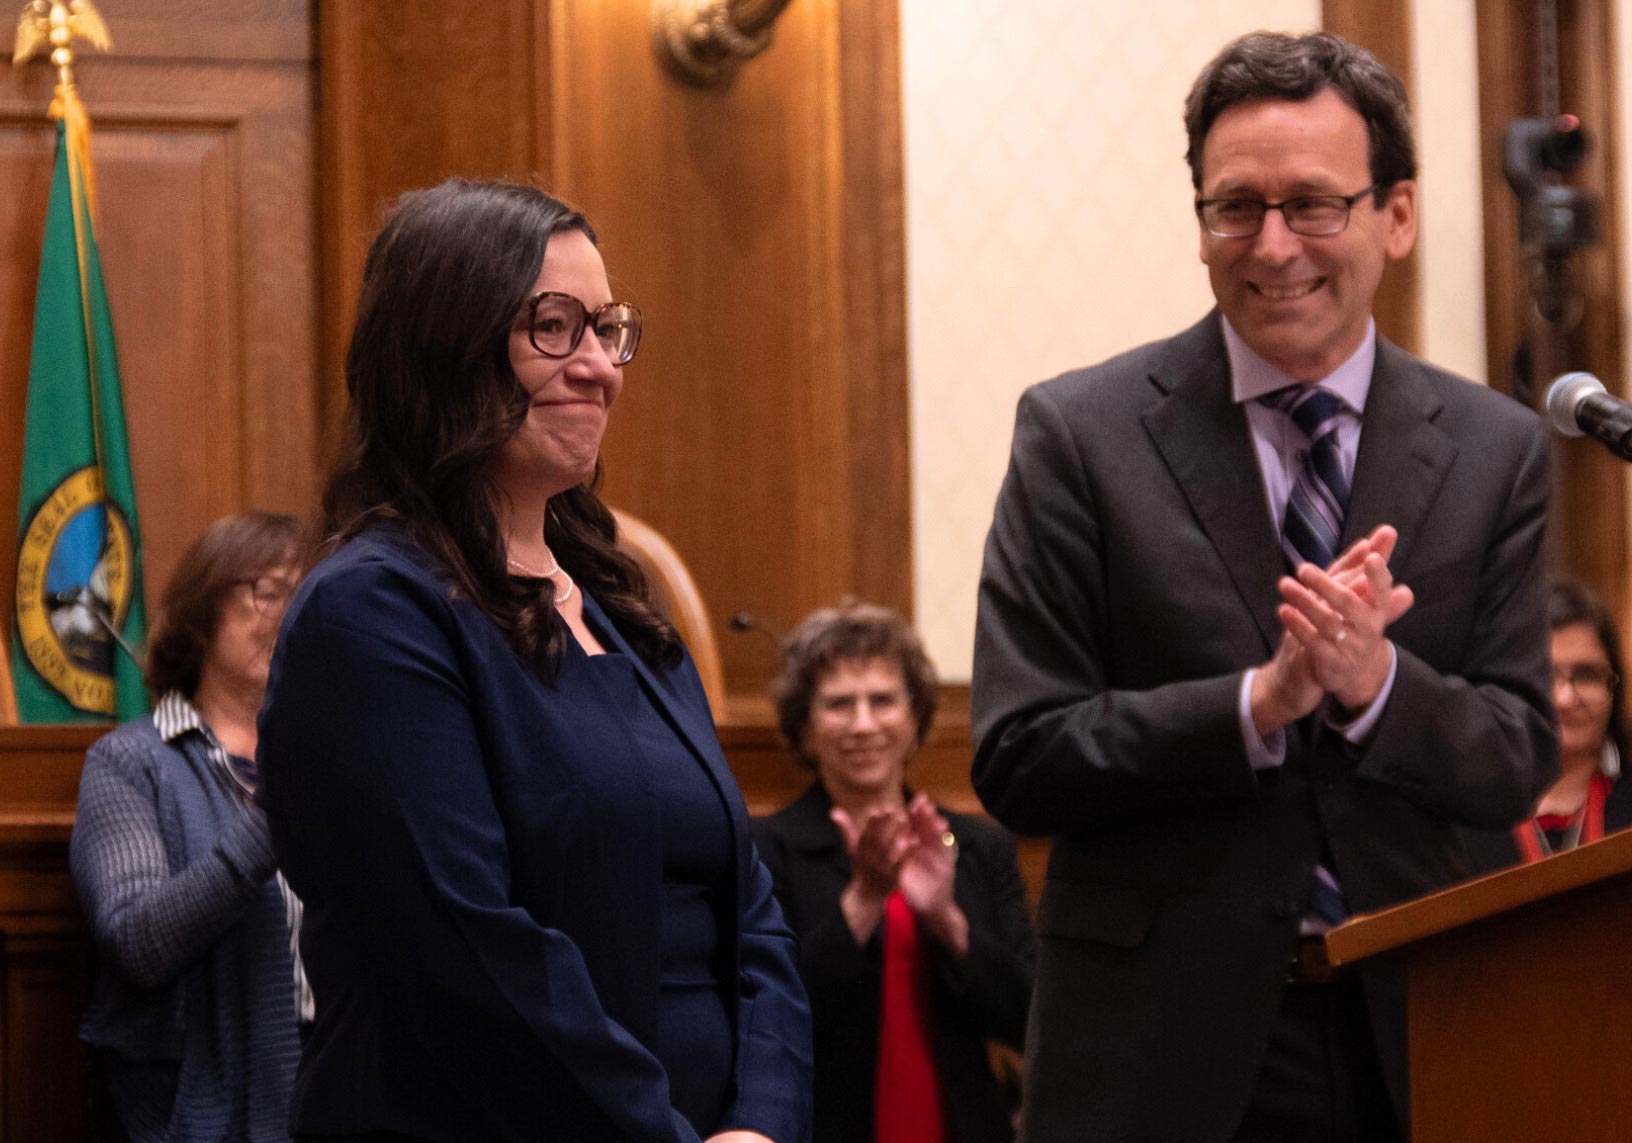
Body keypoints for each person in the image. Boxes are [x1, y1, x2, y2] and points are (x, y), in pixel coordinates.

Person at [971, 31, 1558, 1143]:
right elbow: (1017, 753)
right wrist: (1257, 704)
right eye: (1234, 207)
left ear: (1395, 215)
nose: (1272, 245)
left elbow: (1517, 749)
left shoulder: (1495, 449)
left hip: (1425, 1026)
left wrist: (1377, 683)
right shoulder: (1079, 436)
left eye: (1314, 205)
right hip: (1157, 1053)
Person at [256, 178, 810, 1143]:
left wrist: (763, 1119)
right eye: (554, 327)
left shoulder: (626, 607)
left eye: (608, 328)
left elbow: (747, 906)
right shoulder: (371, 615)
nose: (600, 365)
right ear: (446, 346)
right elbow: (467, 955)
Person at [752, 603, 1033, 1143]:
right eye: (837, 704)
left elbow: (1029, 1018)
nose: (863, 724)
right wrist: (864, 899)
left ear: (915, 717)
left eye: (882, 700)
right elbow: (770, 1023)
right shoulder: (766, 850)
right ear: (805, 729)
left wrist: (947, 921)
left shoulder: (979, 846)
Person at [70, 510, 310, 1143]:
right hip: (194, 1113)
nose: (290, 612)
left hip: (344, 1096)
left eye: (305, 592)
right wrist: (273, 817)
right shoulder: (131, 763)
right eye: (268, 590)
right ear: (203, 608)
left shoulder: (342, 754)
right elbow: (138, 942)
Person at [1466, 580, 1632, 872]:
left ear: (1614, 688)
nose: (1565, 698)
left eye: (1587, 675)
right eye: (1545, 676)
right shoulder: (1461, 820)